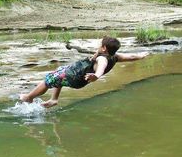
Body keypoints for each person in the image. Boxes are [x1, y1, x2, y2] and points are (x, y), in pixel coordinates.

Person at [20, 36, 149, 107]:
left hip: (75, 76)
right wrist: (141, 55)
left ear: (104, 48)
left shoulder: (102, 59)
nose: (99, 46)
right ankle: (54, 99)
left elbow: (101, 68)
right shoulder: (115, 57)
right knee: (59, 71)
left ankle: (29, 98)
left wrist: (96, 76)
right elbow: (131, 57)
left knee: (49, 79)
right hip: (77, 76)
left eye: (101, 45)